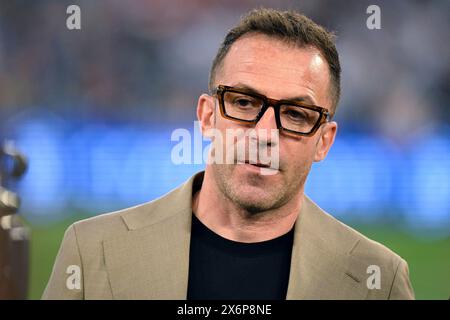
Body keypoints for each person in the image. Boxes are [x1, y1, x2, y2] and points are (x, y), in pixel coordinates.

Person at [43, 8, 414, 300]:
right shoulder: (90, 251)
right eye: (243, 102)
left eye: (296, 114)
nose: (265, 134)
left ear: (324, 141)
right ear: (206, 116)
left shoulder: (377, 280)